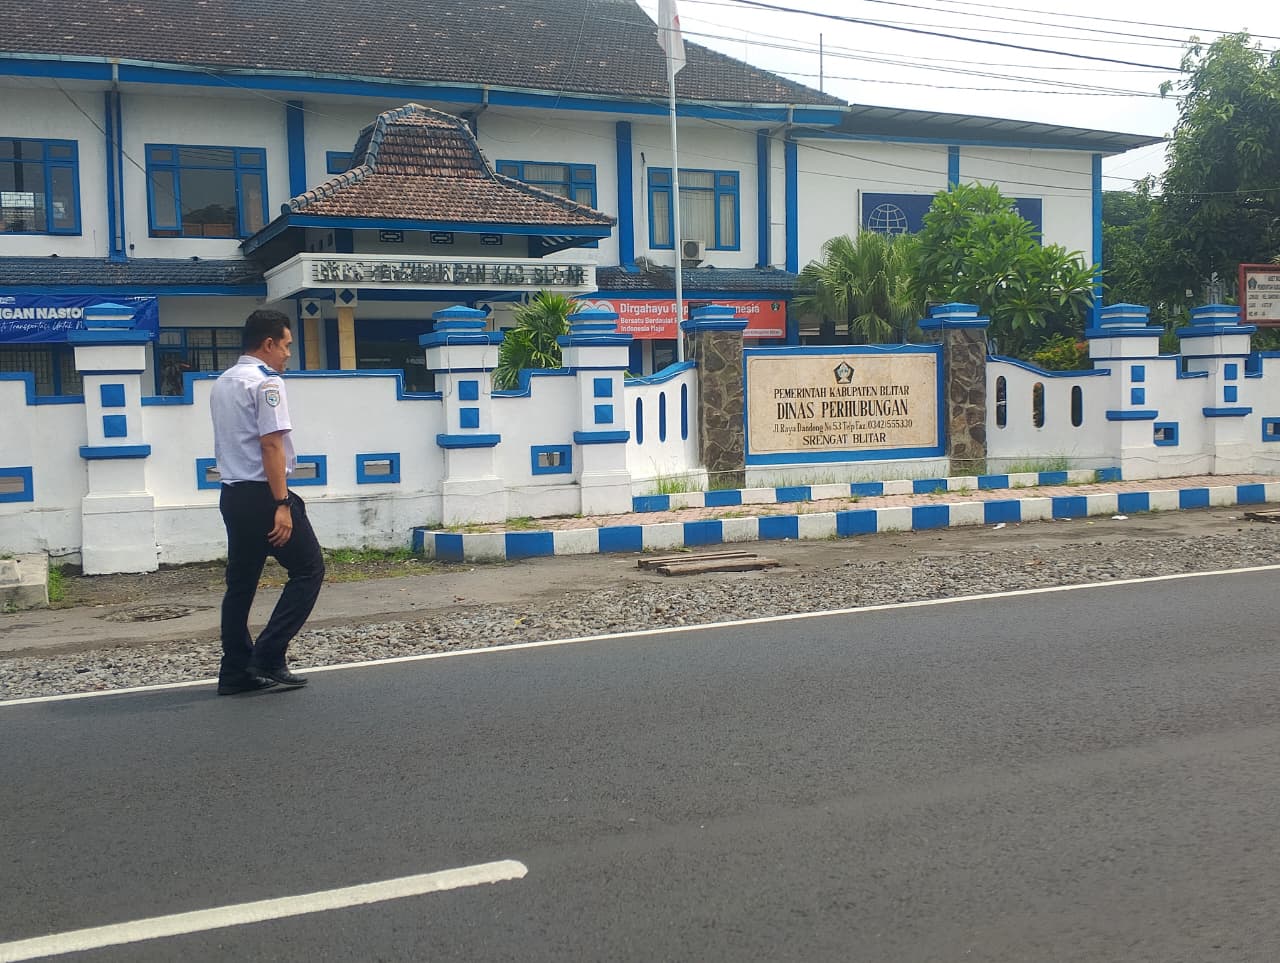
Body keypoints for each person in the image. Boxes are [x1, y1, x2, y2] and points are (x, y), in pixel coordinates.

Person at [210, 309, 324, 695]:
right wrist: (282, 504)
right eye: (287, 345)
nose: (289, 354)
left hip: (233, 495)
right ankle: (270, 655)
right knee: (309, 569)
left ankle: (235, 671)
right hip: (264, 496)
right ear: (269, 343)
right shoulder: (265, 384)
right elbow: (271, 443)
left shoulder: (223, 382)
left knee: (240, 584)